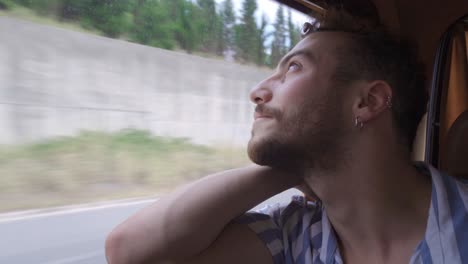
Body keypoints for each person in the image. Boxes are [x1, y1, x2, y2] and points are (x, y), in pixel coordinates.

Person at [105, 7, 468, 264]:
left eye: (293, 67)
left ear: (368, 101)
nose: (258, 91)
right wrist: (297, 164)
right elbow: (129, 251)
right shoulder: (294, 235)